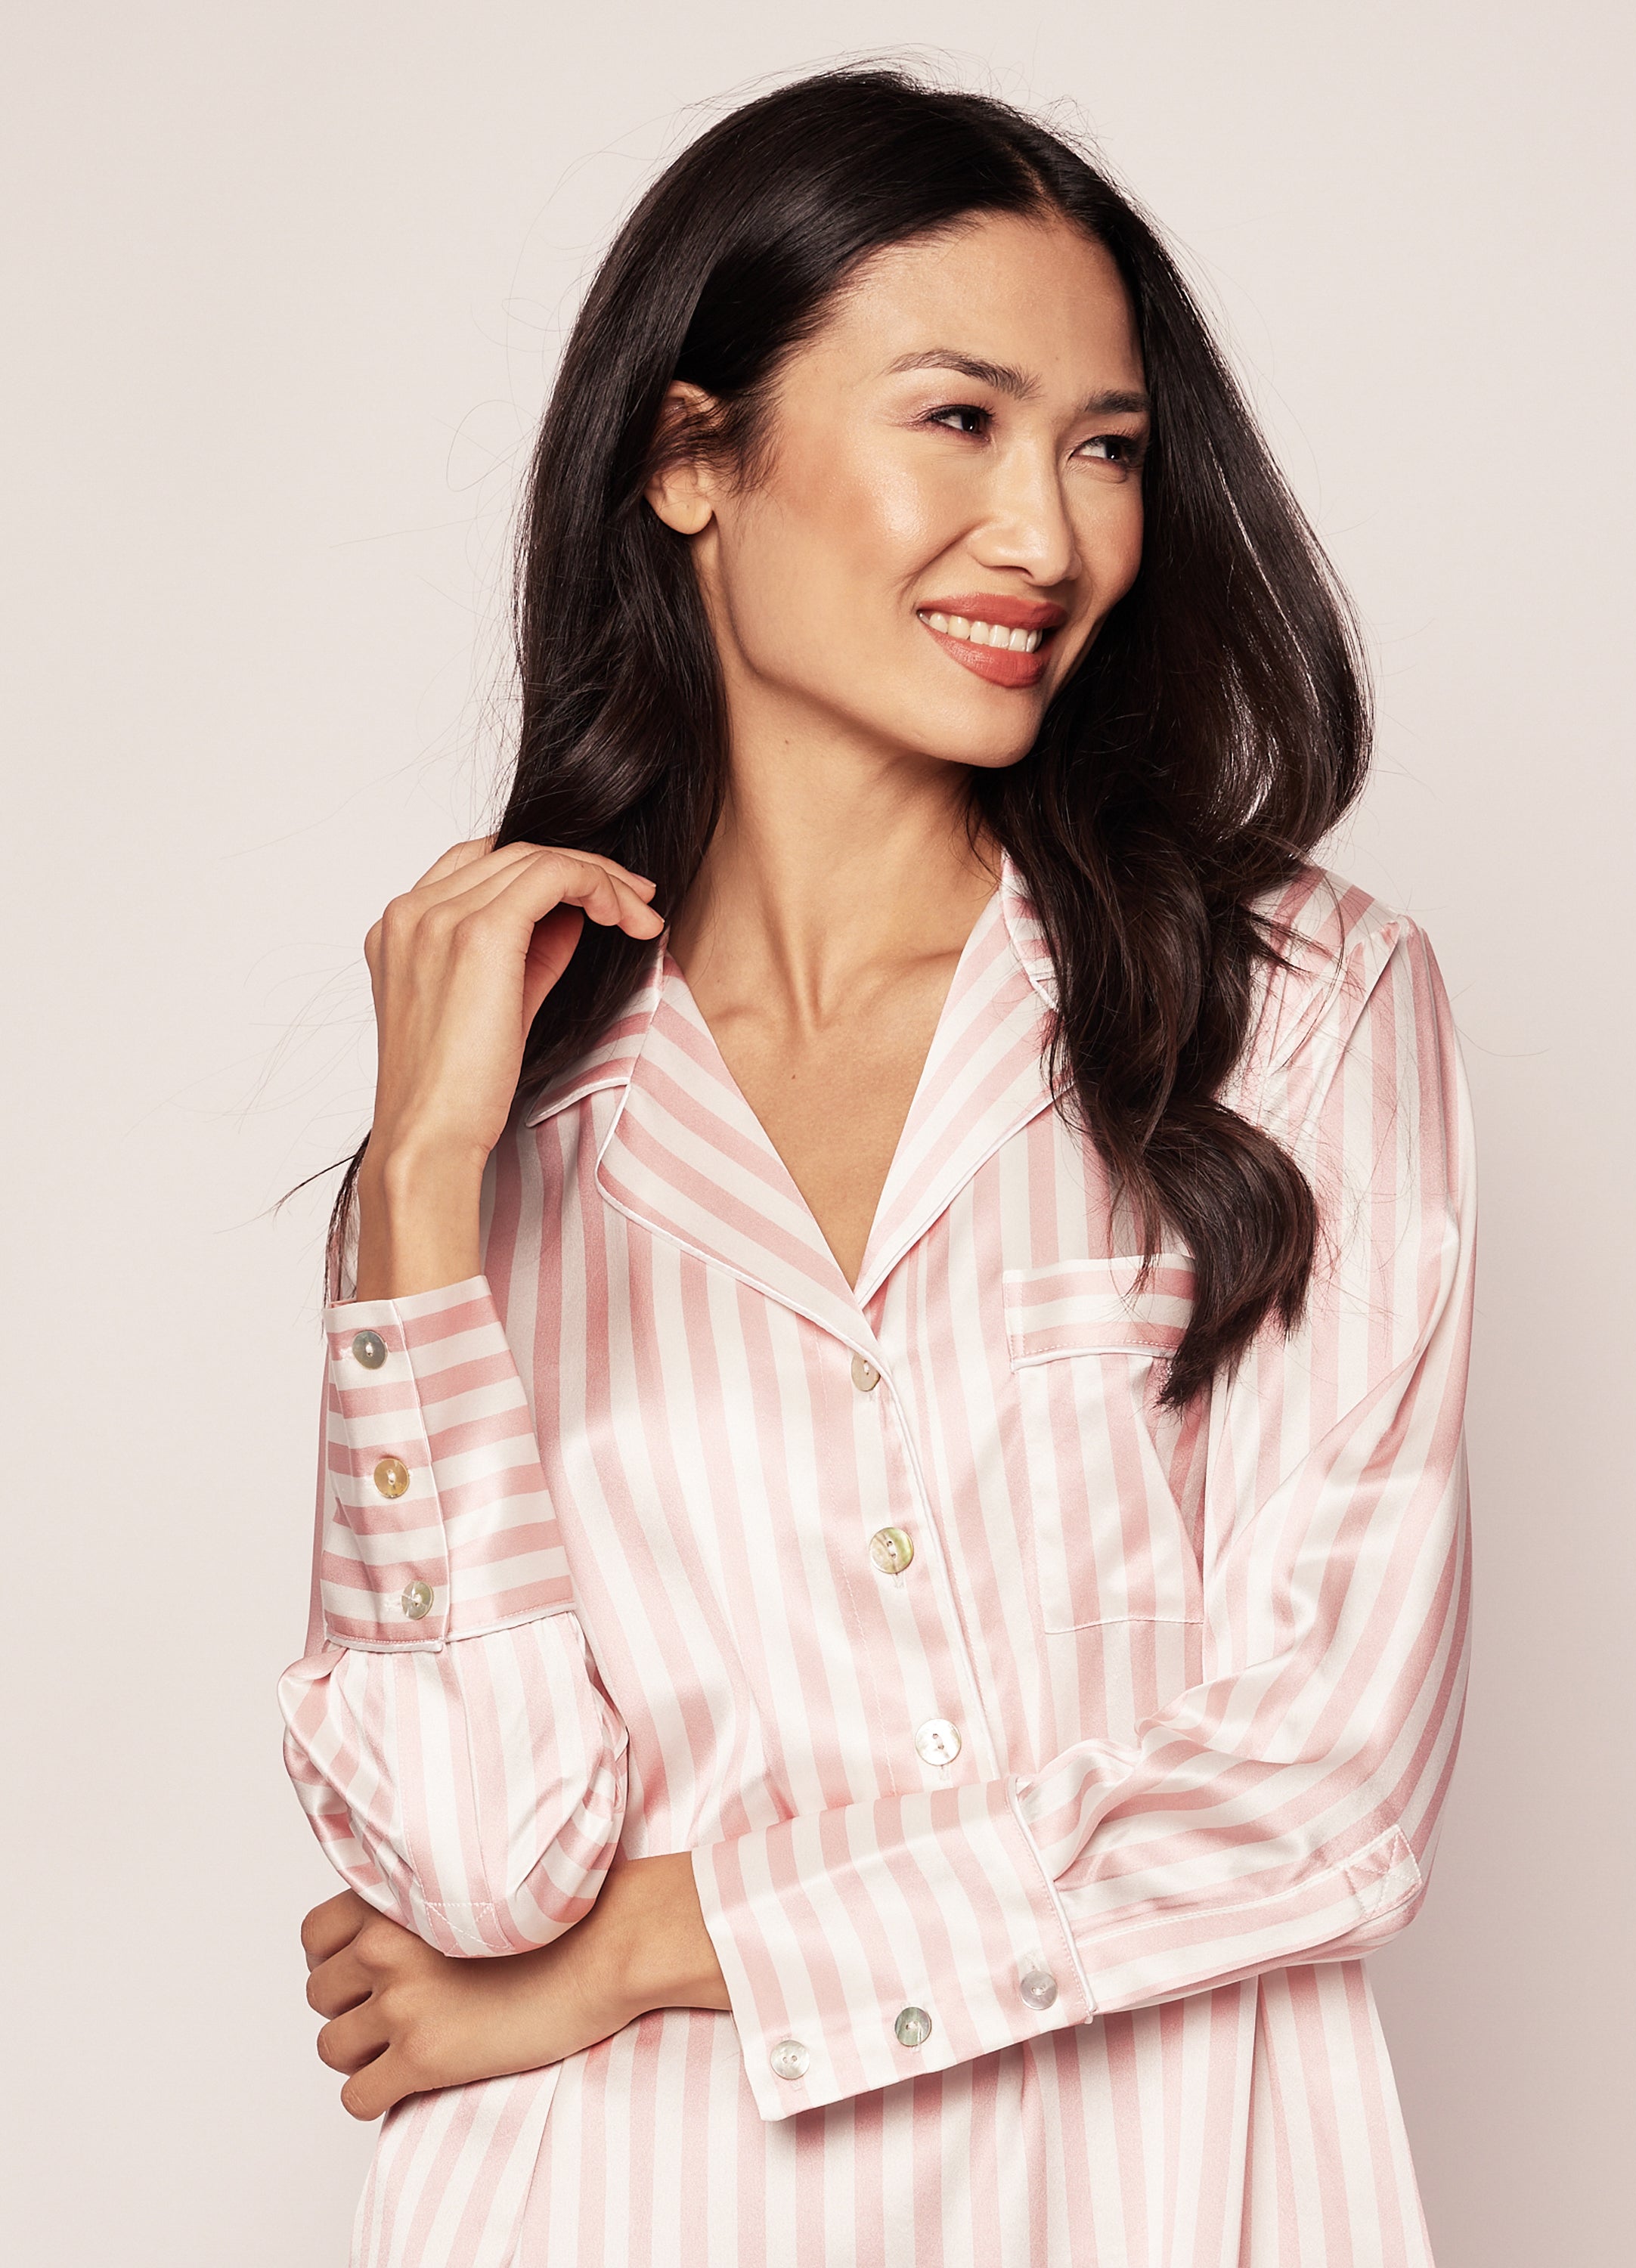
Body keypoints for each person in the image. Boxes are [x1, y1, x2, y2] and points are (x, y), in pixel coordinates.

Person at [278, 66, 1476, 2268]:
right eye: (963, 421)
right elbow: (462, 1868)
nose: (1051, 536)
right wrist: (419, 1203)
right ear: (689, 457)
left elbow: (1321, 1783)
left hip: (1160, 2199)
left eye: (1106, 449)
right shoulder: (511, 1127)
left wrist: (648, 1946)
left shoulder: (1294, 1011)